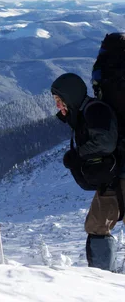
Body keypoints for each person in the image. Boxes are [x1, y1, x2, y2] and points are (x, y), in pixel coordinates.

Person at [50, 72, 124, 272]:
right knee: (96, 225)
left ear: (70, 95)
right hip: (114, 178)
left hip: (119, 178)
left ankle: (102, 282)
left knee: (97, 226)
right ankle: (102, 281)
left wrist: (78, 154)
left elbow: (105, 143)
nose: (58, 105)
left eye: (59, 100)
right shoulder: (85, 113)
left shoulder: (95, 111)